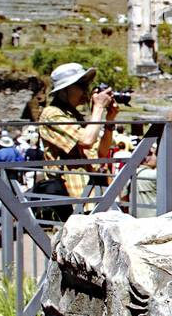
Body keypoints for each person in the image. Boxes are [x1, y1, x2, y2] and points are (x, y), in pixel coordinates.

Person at [37, 62, 118, 221]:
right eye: (81, 85)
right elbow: (86, 141)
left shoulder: (75, 117)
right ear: (64, 90)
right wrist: (99, 108)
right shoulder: (51, 114)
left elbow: (101, 152)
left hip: (92, 193)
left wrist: (110, 120)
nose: (86, 91)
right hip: (74, 197)